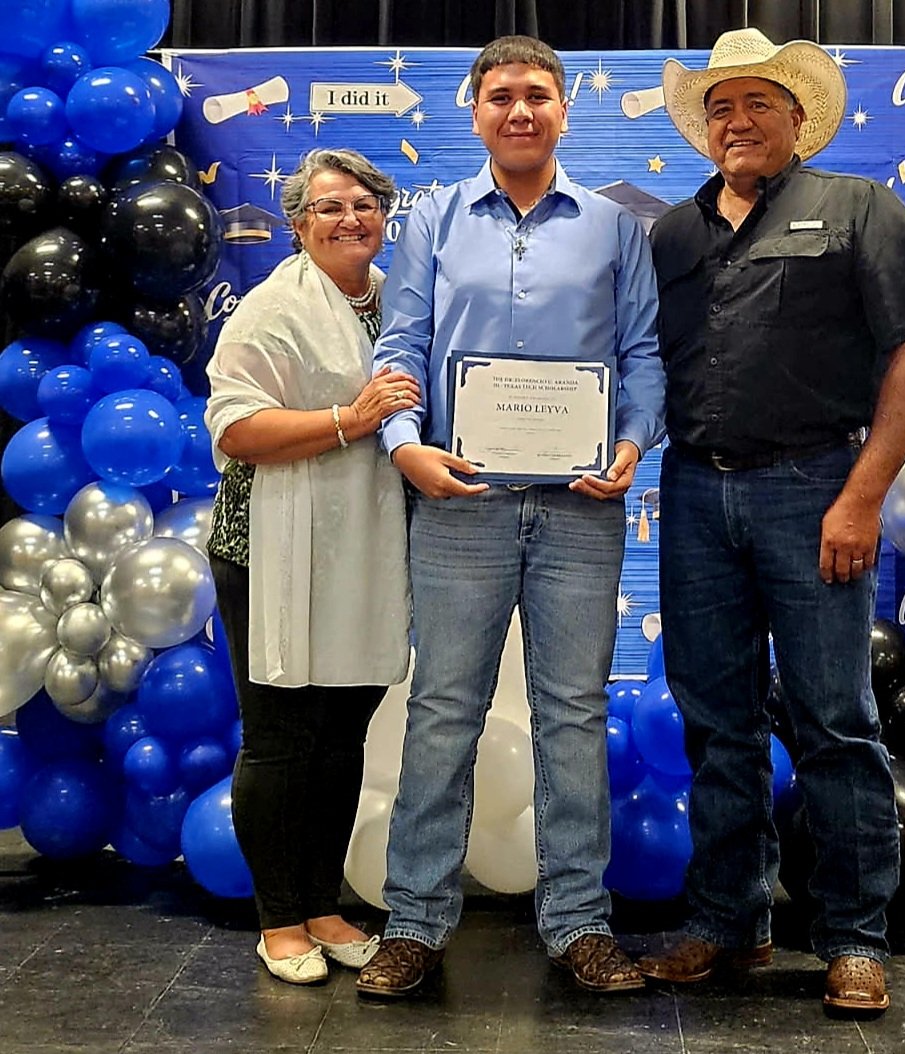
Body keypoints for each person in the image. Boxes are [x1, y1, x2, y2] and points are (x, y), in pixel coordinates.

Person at [635, 29, 905, 1014]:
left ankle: (852, 936)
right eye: (721, 107)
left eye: (757, 104)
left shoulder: (857, 208)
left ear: (797, 117)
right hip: (691, 496)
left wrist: (858, 496)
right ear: (704, 128)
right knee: (715, 724)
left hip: (814, 489)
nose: (737, 121)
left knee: (835, 724)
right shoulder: (671, 235)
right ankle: (726, 921)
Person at [354, 35, 665, 998]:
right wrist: (403, 444)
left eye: (536, 95)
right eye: (500, 96)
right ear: (474, 110)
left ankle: (577, 924)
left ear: (564, 109)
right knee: (442, 711)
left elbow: (644, 354)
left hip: (579, 509)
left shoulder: (615, 229)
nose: (519, 111)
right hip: (460, 504)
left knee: (573, 715)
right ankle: (413, 923)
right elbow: (399, 348)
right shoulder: (432, 221)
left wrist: (628, 442)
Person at [205, 148, 420, 986]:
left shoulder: (400, 301)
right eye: (328, 207)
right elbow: (236, 428)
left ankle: (324, 904)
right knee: (281, 739)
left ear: (384, 215)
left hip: (365, 548)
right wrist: (348, 418)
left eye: (363, 204)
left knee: (340, 737)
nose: (349, 219)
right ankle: (279, 919)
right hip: (269, 551)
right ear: (297, 225)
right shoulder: (270, 309)